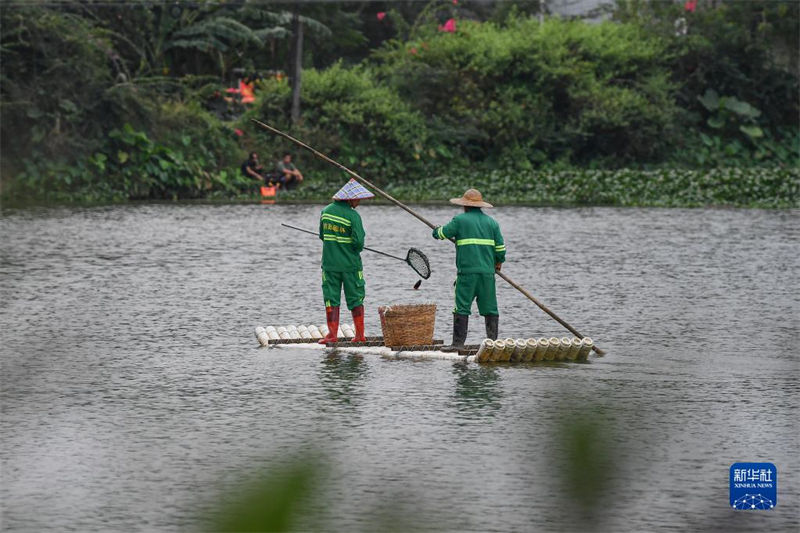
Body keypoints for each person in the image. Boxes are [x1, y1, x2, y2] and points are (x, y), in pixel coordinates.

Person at [432, 188, 506, 348]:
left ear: (465, 206)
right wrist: (498, 262)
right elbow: (500, 249)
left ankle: (457, 344)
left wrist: (435, 230)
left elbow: (441, 233)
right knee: (490, 307)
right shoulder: (492, 223)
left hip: (467, 274)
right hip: (487, 273)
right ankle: (493, 343)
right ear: (480, 206)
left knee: (462, 306)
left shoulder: (459, 220)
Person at [317, 179, 375, 344]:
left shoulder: (325, 212)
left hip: (329, 265)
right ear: (349, 199)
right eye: (357, 199)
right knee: (356, 298)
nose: (359, 202)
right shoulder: (353, 216)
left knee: (331, 298)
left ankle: (332, 334)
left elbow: (322, 236)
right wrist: (351, 247)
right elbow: (359, 244)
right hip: (351, 266)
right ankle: (359, 335)